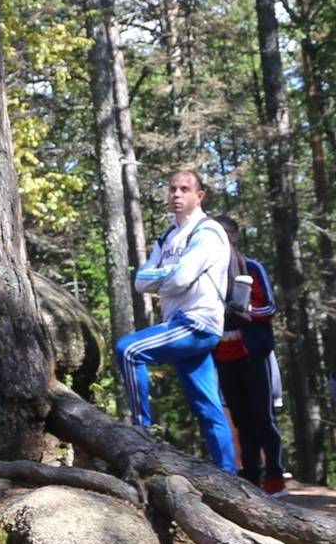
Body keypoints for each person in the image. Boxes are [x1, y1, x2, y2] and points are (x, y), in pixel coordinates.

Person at [115, 171, 238, 474]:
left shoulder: (208, 232)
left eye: (185, 189)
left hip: (197, 324)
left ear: (200, 196)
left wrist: (166, 278)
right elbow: (141, 281)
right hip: (180, 325)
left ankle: (140, 431)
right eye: (172, 189)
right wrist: (169, 278)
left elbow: (179, 277)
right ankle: (230, 478)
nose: (176, 194)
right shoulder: (167, 237)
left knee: (129, 351)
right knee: (208, 408)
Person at [209, 216, 288, 495]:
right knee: (241, 420)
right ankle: (251, 475)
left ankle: (276, 476)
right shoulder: (207, 271)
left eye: (223, 234)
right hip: (223, 357)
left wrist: (240, 313)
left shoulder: (252, 267)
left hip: (253, 354)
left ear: (234, 237)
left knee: (263, 417)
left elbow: (269, 308)